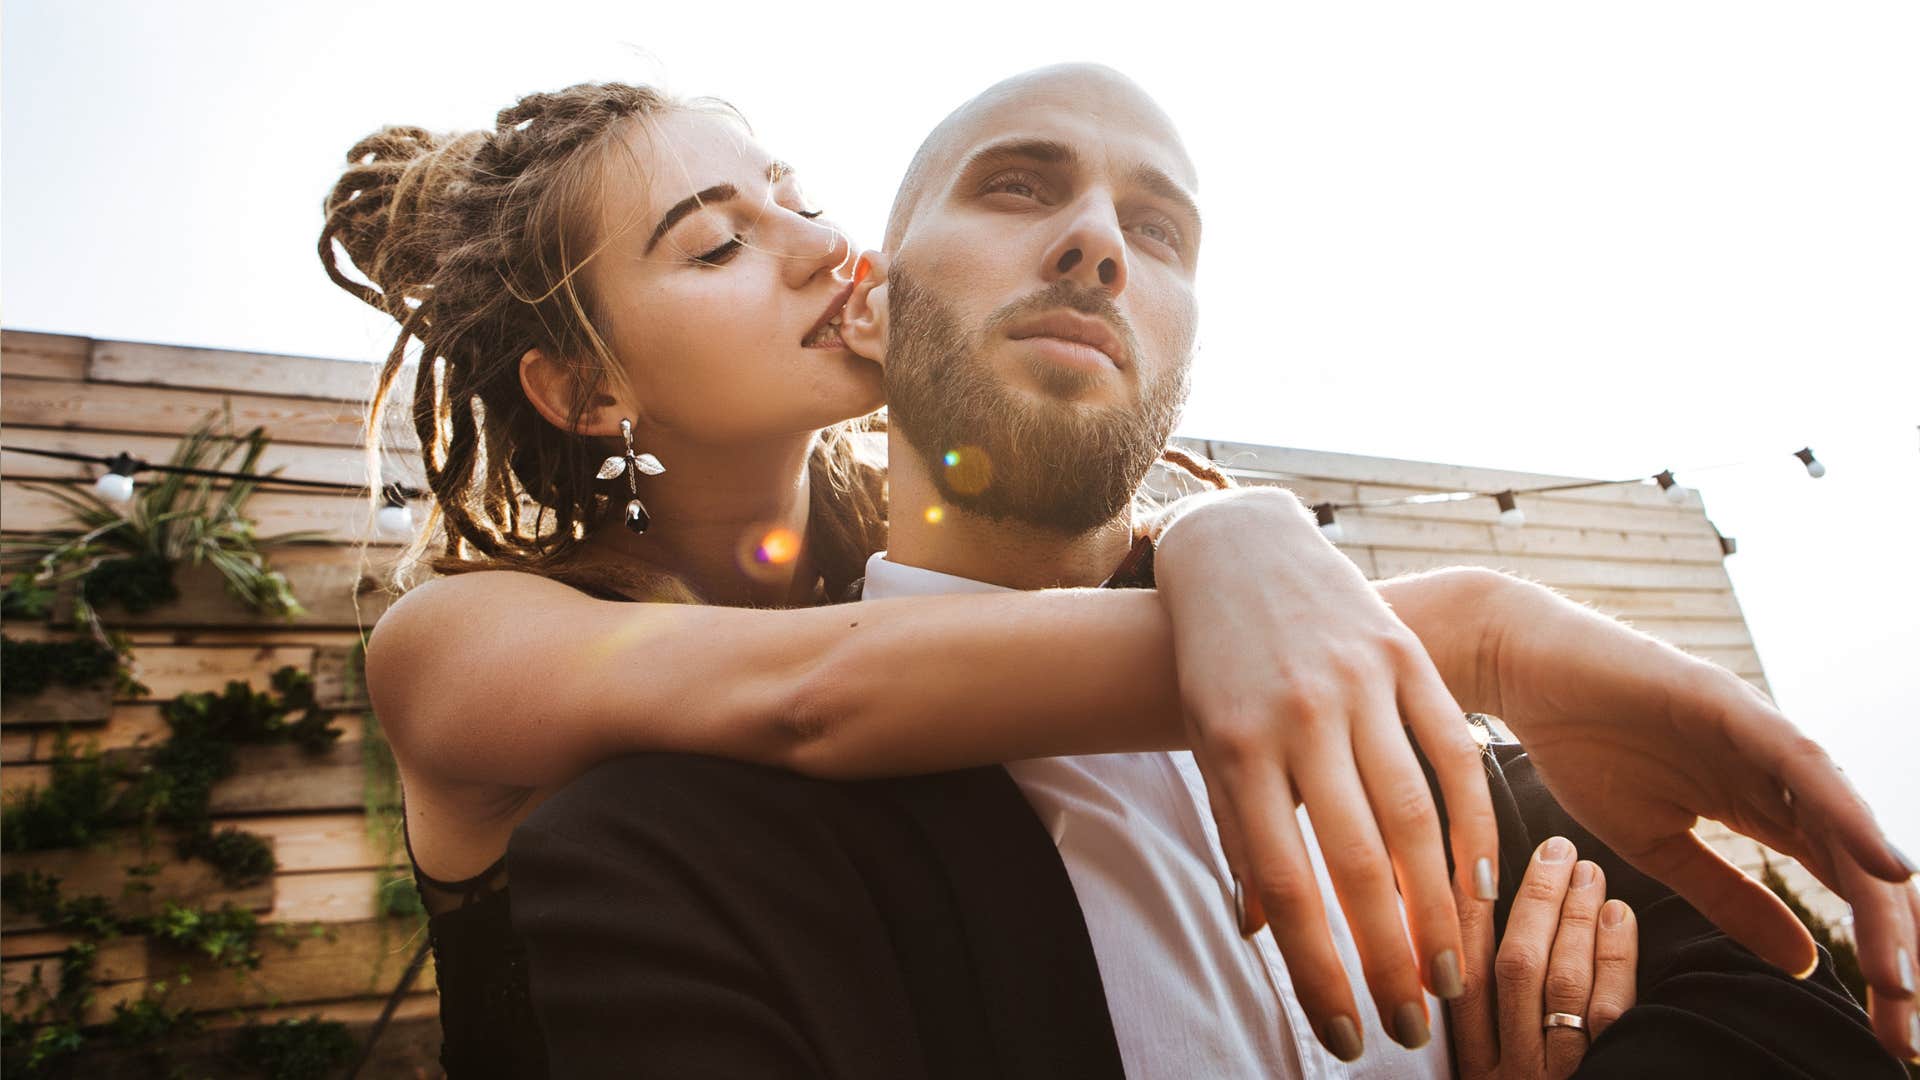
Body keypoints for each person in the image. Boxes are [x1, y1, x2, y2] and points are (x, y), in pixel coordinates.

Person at [318, 75, 1918, 1073]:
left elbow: (1031, 616)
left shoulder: (911, 575)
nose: (822, 249)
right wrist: (1473, 630)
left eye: (803, 199)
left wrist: (1240, 530)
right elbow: (824, 701)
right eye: (717, 243)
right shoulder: (465, 645)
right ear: (588, 389)